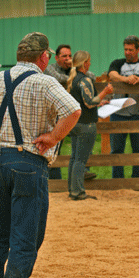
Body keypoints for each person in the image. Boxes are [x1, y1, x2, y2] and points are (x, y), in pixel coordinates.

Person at [0, 32, 82, 278]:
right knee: (25, 233)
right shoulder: (45, 81)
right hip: (27, 161)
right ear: (44, 57)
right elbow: (73, 109)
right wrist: (53, 137)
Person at [65, 50, 113, 200]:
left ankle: (72, 189)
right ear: (85, 63)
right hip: (86, 124)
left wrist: (100, 100)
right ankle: (78, 191)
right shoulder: (85, 80)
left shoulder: (73, 79)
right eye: (89, 61)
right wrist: (105, 92)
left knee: (74, 158)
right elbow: (90, 102)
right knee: (81, 160)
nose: (90, 63)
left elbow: (84, 102)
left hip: (76, 123)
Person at [107, 35, 139, 179]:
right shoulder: (117, 63)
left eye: (131, 49)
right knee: (116, 150)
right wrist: (126, 79)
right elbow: (112, 75)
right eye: (125, 49)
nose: (127, 52)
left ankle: (138, 181)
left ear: (138, 49)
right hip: (118, 113)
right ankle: (118, 181)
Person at [44, 44, 75, 181]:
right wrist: (76, 73)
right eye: (64, 56)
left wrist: (75, 70)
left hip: (74, 115)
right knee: (55, 147)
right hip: (56, 116)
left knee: (80, 147)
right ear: (56, 58)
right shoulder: (50, 68)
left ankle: (79, 177)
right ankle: (54, 182)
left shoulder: (73, 69)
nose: (68, 59)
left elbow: (90, 75)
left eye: (70, 56)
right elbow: (60, 78)